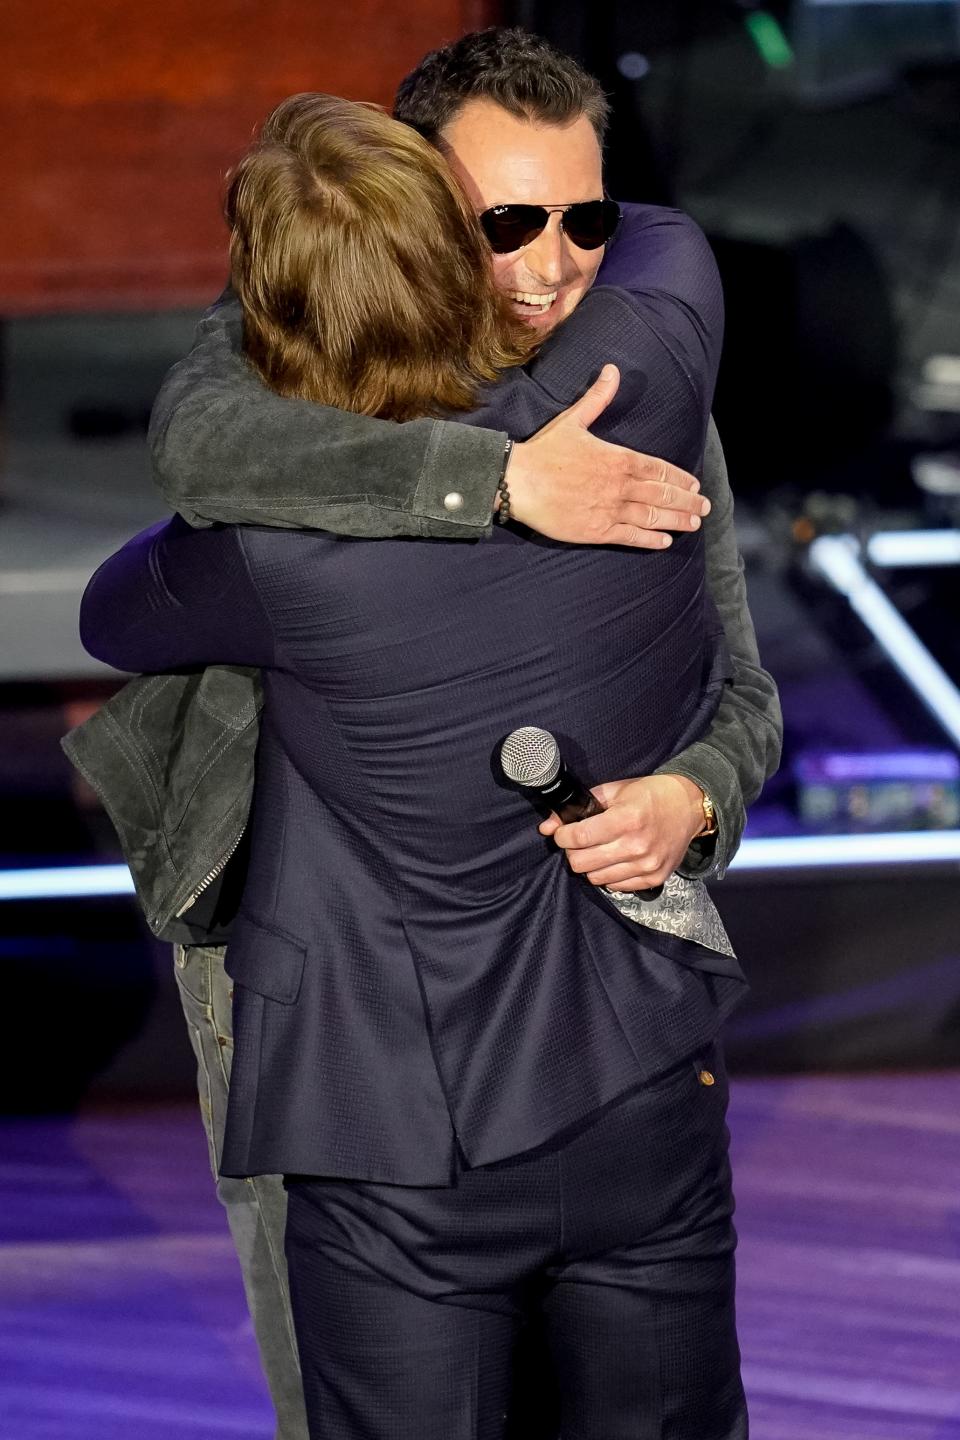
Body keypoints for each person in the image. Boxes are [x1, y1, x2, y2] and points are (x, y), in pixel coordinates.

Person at [65, 28, 781, 1439]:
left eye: (585, 219)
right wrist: (488, 480)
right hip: (493, 1075)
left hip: (482, 1106)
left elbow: (741, 695)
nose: (553, 265)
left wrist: (698, 796)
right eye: (503, 222)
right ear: (411, 216)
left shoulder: (276, 549)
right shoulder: (661, 354)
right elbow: (213, 433)